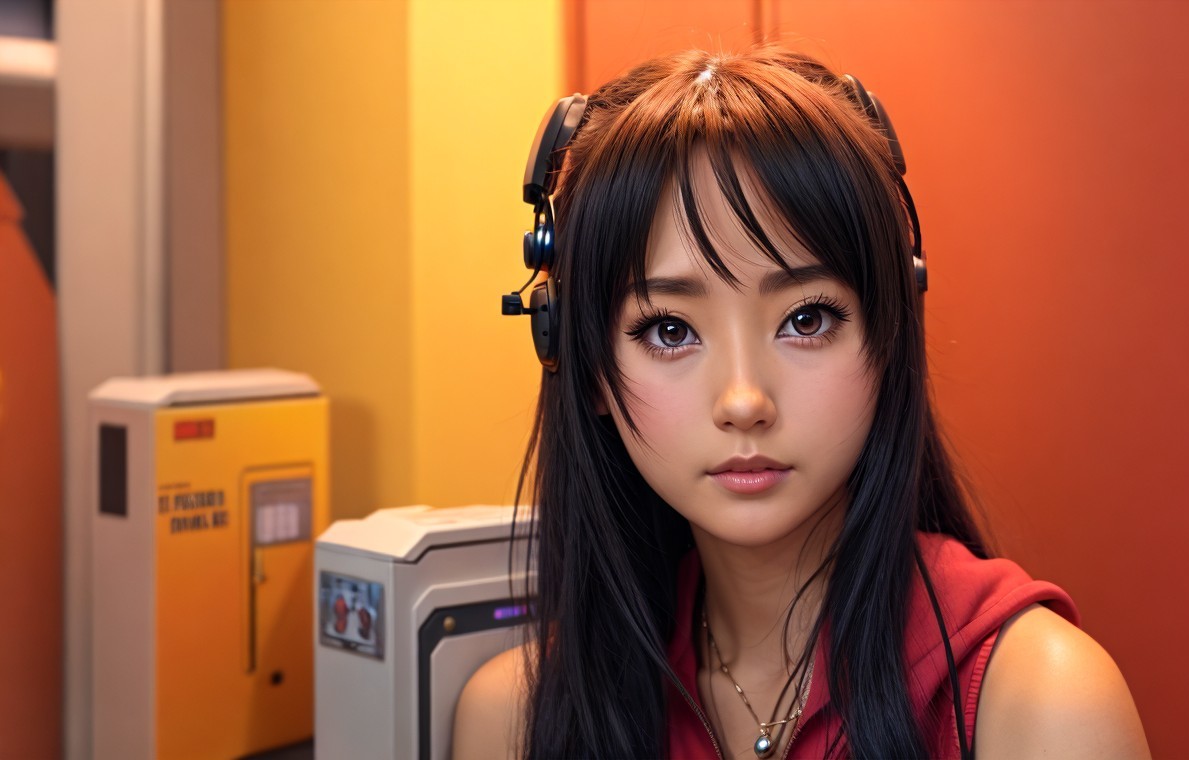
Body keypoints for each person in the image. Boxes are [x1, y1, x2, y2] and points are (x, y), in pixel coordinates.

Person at [454, 45, 1151, 759]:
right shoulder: (520, 721)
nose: (745, 400)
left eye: (806, 320)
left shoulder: (1039, 703)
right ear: (588, 366)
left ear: (889, 335)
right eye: (670, 329)